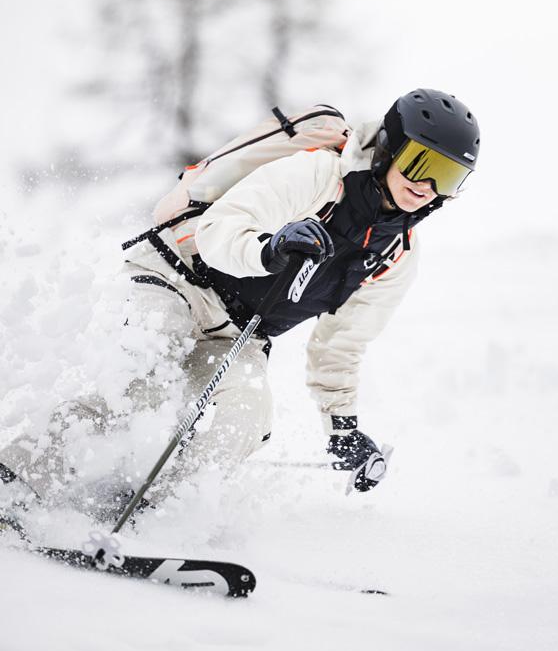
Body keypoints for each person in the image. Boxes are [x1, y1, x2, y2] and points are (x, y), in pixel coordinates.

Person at [0, 89, 480, 519]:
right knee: (139, 382)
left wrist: (343, 428)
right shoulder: (318, 175)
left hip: (237, 333)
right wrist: (270, 249)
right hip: (177, 277)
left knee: (246, 420)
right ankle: (16, 476)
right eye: (421, 163)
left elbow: (341, 346)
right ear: (389, 150)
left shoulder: (396, 256)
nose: (427, 186)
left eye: (448, 175)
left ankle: (154, 509)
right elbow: (218, 230)